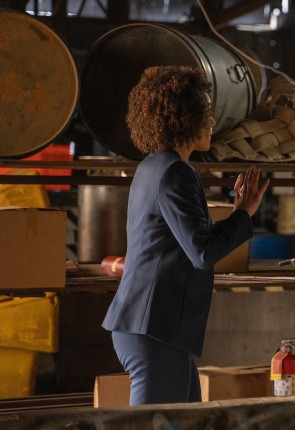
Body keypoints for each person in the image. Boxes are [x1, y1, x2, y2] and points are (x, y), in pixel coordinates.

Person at [102, 65, 269, 405]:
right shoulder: (176, 172)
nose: (211, 121)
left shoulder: (152, 166)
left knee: (187, 421)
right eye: (205, 111)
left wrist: (239, 214)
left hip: (150, 328)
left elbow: (191, 240)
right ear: (184, 117)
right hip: (154, 329)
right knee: (156, 426)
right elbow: (202, 252)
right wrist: (243, 214)